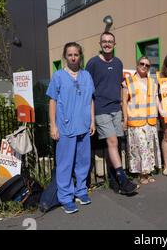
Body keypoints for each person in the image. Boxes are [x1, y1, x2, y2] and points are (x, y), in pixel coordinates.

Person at [86, 31, 138, 195]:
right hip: (101, 110)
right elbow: (88, 92)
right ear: (100, 44)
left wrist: (124, 114)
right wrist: (91, 118)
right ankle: (123, 179)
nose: (107, 44)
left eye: (110, 41)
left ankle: (114, 181)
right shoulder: (92, 63)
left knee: (113, 145)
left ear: (114, 44)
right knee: (113, 141)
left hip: (116, 109)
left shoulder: (118, 63)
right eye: (104, 41)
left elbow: (121, 87)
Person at [47, 42, 95, 214]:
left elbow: (90, 100)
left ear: (80, 56)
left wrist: (92, 121)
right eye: (70, 54)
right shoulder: (58, 76)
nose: (73, 57)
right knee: (65, 163)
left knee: (83, 161)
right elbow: (52, 101)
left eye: (76, 54)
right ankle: (66, 197)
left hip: (83, 125)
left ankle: (81, 191)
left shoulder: (86, 76)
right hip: (65, 127)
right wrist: (53, 125)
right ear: (65, 56)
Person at [122, 56, 162, 184]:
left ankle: (148, 171)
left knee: (149, 147)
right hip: (135, 120)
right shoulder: (128, 81)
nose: (144, 66)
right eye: (142, 64)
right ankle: (141, 173)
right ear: (137, 65)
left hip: (150, 120)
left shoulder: (153, 82)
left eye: (147, 65)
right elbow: (123, 102)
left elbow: (156, 99)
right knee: (140, 147)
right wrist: (125, 119)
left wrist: (161, 111)